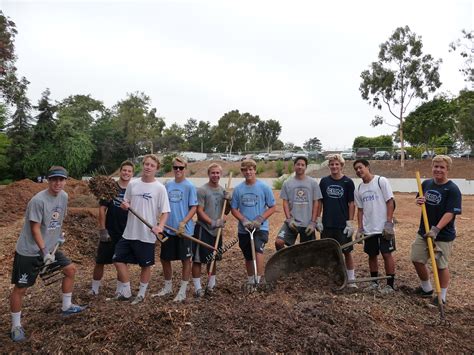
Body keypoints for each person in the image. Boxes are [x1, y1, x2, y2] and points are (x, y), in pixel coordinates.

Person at [9, 166, 85, 342]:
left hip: (50, 247)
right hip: (29, 251)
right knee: (21, 288)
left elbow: (57, 220)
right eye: (54, 179)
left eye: (61, 179)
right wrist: (44, 252)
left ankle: (66, 306)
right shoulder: (38, 201)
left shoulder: (64, 196)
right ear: (48, 180)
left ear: (66, 181)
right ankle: (15, 326)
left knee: (70, 270)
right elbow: (34, 229)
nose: (58, 183)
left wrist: (59, 236)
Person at [114, 154, 170, 305]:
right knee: (118, 260)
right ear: (142, 165)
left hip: (146, 234)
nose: (148, 167)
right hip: (129, 232)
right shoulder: (133, 184)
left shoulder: (160, 188)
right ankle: (126, 291)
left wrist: (160, 226)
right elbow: (125, 204)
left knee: (145, 265)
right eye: (146, 164)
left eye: (152, 165)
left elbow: (165, 211)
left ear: (156, 169)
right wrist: (124, 206)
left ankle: (141, 293)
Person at [411, 155, 462, 304]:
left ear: (448, 170)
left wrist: (436, 229)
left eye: (442, 167)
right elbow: (419, 199)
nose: (438, 170)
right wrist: (418, 201)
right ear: (432, 167)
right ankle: (426, 288)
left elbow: (450, 212)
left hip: (442, 235)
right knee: (416, 259)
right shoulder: (426, 184)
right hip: (424, 231)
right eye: (436, 166)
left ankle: (442, 297)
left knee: (441, 266)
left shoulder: (452, 189)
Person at [155, 156, 198, 302]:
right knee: (164, 258)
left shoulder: (189, 186)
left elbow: (194, 207)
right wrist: (160, 222)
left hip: (184, 231)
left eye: (181, 167)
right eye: (175, 167)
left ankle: (183, 290)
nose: (178, 170)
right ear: (172, 169)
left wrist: (184, 222)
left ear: (185, 168)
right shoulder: (168, 185)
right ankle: (168, 287)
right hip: (168, 229)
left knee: (186, 260)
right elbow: (163, 206)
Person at [89, 160, 134, 296]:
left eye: (129, 171)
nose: (126, 173)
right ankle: (94, 288)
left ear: (132, 174)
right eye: (124, 170)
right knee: (100, 260)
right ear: (120, 171)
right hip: (110, 230)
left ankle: (120, 290)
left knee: (121, 262)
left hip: (126, 232)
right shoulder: (111, 188)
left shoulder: (133, 189)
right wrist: (103, 229)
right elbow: (102, 209)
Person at [353, 159, 396, 293]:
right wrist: (360, 228)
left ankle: (390, 285)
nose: (359, 171)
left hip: (383, 227)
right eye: (356, 169)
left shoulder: (380, 181)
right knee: (371, 255)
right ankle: (374, 283)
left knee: (386, 254)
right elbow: (360, 210)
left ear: (367, 167)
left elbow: (390, 201)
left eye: (360, 167)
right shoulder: (359, 188)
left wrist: (388, 223)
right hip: (369, 228)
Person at [231, 159, 276, 286]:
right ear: (242, 172)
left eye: (250, 169)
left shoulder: (264, 187)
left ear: (255, 170)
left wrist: (260, 219)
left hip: (260, 228)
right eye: (245, 170)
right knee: (248, 255)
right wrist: (243, 220)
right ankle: (251, 280)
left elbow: (272, 206)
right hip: (244, 229)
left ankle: (259, 280)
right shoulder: (238, 189)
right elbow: (234, 209)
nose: (248, 172)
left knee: (258, 250)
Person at [191, 163, 232, 297]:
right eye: (213, 173)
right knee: (197, 259)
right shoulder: (202, 190)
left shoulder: (221, 190)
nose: (215, 175)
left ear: (221, 174)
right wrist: (212, 222)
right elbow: (199, 211)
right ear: (209, 174)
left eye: (218, 173)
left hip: (216, 231)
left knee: (212, 258)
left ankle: (211, 286)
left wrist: (229, 200)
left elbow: (226, 210)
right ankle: (198, 288)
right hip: (204, 229)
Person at [319, 154, 357, 286]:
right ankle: (328, 278)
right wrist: (318, 219)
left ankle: (351, 280)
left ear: (341, 166)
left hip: (342, 224)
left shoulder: (347, 182)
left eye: (337, 164)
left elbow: (351, 203)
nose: (334, 166)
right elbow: (320, 201)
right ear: (329, 166)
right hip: (327, 224)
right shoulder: (324, 181)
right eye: (332, 164)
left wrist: (350, 222)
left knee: (347, 251)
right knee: (326, 252)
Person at [275, 156, 322, 250]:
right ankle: (287, 261)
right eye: (298, 164)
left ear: (306, 167)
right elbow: (285, 202)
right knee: (279, 242)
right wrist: (289, 219)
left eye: (302, 165)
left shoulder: (313, 183)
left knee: (307, 250)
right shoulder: (287, 183)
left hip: (307, 223)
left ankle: (302, 263)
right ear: (294, 166)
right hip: (293, 222)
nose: (300, 167)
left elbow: (316, 203)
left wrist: (313, 222)